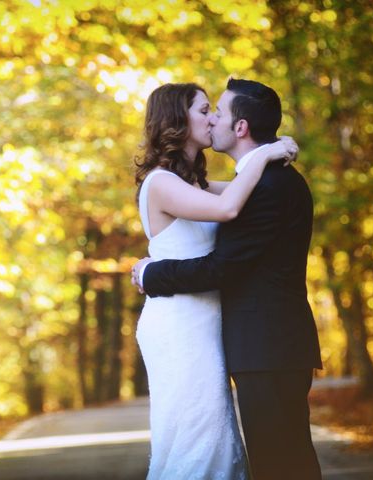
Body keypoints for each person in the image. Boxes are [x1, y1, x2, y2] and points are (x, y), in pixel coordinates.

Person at [132, 78, 322, 480]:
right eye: (204, 110)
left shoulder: (249, 185)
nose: (213, 117)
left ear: (241, 127)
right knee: (200, 442)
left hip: (260, 342)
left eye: (217, 110)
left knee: (265, 455)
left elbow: (223, 262)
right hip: (186, 328)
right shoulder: (171, 183)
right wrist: (269, 150)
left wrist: (153, 273)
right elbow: (230, 208)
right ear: (176, 123)